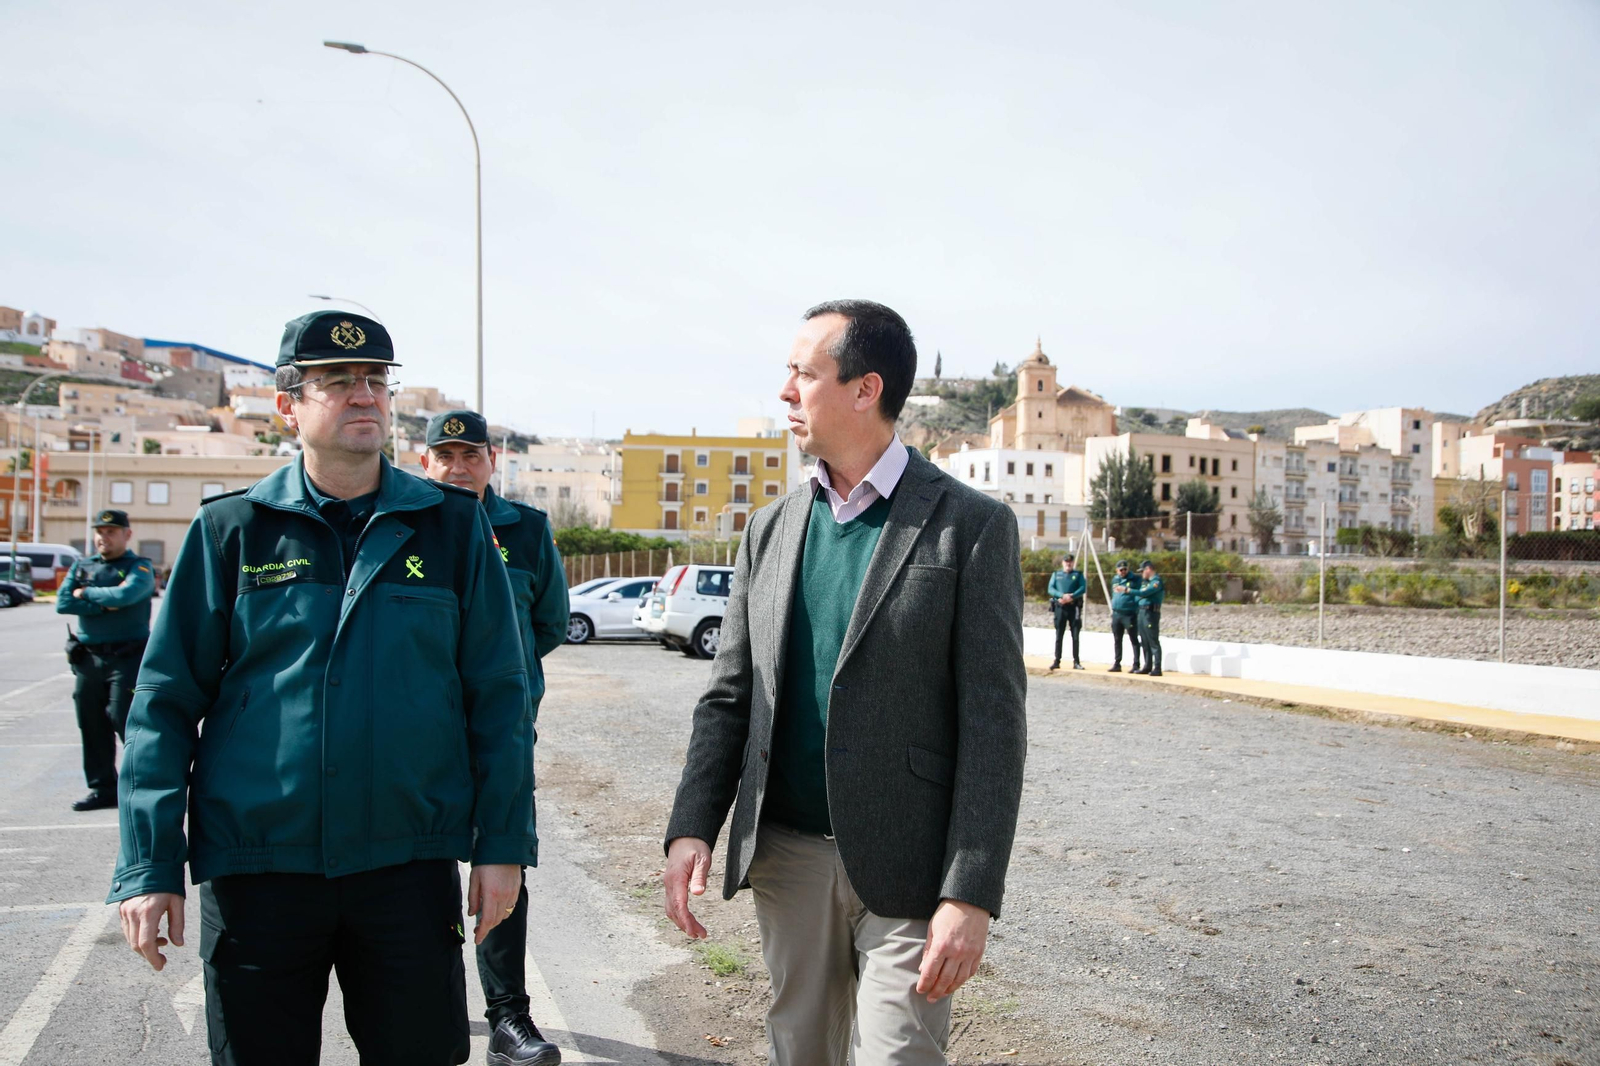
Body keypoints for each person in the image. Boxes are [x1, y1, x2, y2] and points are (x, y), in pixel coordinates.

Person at [108, 311, 535, 1066]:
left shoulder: (452, 527)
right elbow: (164, 705)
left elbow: (498, 698)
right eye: (338, 382)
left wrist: (502, 846)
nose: (364, 395)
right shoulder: (231, 531)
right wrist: (149, 866)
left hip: (405, 867)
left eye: (376, 381)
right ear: (288, 406)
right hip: (259, 868)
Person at [662, 300, 1028, 1066]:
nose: (787, 392)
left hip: (913, 868)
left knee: (898, 1055)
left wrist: (971, 892)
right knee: (801, 1050)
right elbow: (731, 694)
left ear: (866, 389)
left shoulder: (971, 526)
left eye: (803, 373)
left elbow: (995, 726)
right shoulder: (770, 528)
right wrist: (692, 823)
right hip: (788, 858)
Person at [420, 409, 567, 1066]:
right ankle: (425, 1003)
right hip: (416, 730)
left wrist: (495, 676)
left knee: (501, 862)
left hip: (500, 730)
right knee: (415, 868)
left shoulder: (526, 530)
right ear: (424, 462)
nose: (457, 467)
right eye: (444, 456)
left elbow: (550, 622)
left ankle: (509, 1018)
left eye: (469, 455)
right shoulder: (404, 527)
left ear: (491, 461)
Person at [56, 508, 155, 811]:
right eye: (99, 531)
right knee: (91, 723)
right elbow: (63, 602)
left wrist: (85, 593)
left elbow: (126, 597)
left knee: (125, 720)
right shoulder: (82, 565)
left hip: (126, 657)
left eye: (111, 532)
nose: (103, 537)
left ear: (127, 534)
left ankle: (144, 786)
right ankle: (103, 789)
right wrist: (103, 605)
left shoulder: (139, 567)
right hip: (88, 658)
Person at [1046, 553, 1087, 671]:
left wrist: (1072, 596)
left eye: (1070, 562)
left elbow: (1083, 588)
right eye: (1066, 562)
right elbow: (1051, 589)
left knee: (1075, 636)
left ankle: (1076, 661)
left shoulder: (1078, 575)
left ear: (1073, 563)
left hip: (1074, 608)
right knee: (1059, 635)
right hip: (1060, 607)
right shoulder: (1056, 574)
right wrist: (1061, 596)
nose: (1068, 564)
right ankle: (1057, 660)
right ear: (1063, 563)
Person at [1107, 559, 1142, 674]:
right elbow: (1114, 593)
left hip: (1129, 613)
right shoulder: (1115, 580)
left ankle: (1136, 664)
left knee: (1133, 639)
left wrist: (1135, 606)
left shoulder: (1134, 579)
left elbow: (1138, 593)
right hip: (1117, 613)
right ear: (1117, 570)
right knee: (1117, 639)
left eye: (1125, 569)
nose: (1123, 571)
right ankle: (1117, 663)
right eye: (1121, 570)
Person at [1133, 559, 1165, 676]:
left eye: (1143, 571)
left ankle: (1157, 667)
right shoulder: (1145, 583)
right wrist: (1141, 594)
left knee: (1153, 640)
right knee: (1144, 640)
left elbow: (1145, 592)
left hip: (1151, 613)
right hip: (1142, 612)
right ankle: (1147, 665)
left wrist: (1131, 591)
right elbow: (1138, 596)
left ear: (1148, 569)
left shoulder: (1156, 581)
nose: (1142, 574)